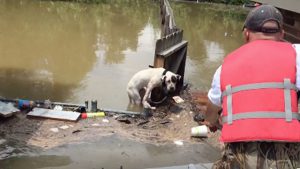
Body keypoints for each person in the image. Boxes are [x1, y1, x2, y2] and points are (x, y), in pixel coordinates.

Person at [205, 4, 300, 169]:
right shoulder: (297, 55)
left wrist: (211, 122)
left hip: (242, 155)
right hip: (286, 153)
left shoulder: (226, 66)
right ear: (282, 33)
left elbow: (212, 110)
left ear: (246, 34)